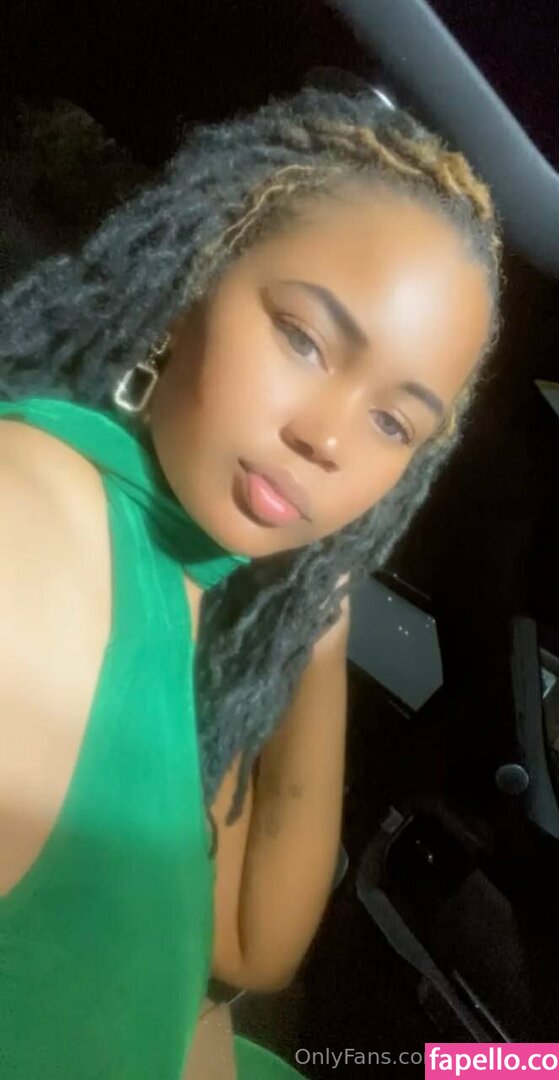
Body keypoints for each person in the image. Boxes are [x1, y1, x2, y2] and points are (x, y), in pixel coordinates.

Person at [0, 84, 501, 1079]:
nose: (325, 438)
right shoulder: (37, 519)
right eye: (303, 338)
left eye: (392, 423)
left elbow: (245, 947)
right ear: (192, 277)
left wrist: (315, 615)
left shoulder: (197, 592)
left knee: (547, 1065)